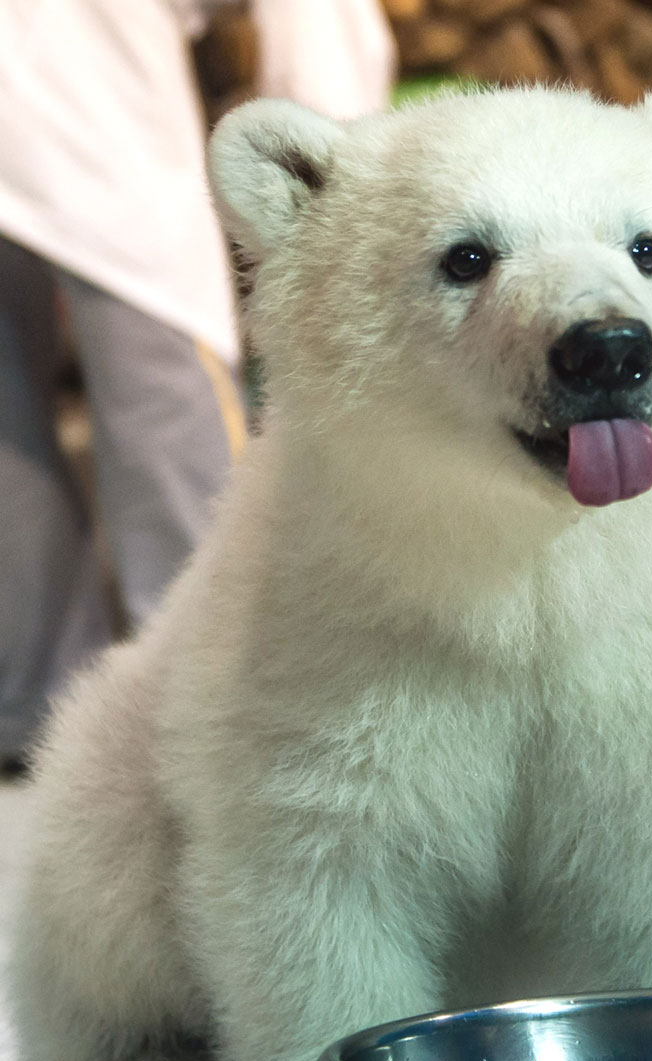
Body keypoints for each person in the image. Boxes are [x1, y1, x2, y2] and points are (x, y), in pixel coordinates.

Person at [0, 0, 395, 774]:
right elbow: (321, 31)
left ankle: (38, 712)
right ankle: (228, 711)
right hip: (93, 113)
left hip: (67, 87)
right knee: (166, 404)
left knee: (11, 439)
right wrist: (356, 185)